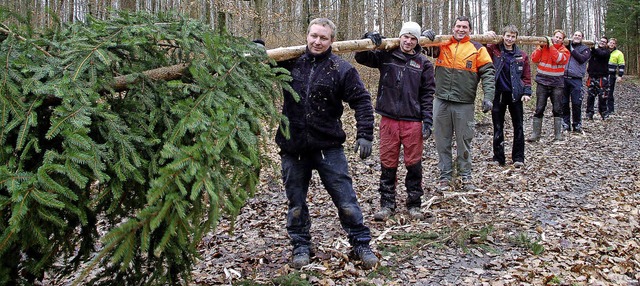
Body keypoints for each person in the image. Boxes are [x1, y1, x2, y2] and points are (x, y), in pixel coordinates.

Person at [275, 18, 378, 270]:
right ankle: (301, 245)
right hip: (293, 147)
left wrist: (365, 134)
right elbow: (259, 70)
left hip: (328, 147)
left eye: (323, 38)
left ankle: (361, 243)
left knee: (346, 201)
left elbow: (362, 101)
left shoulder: (341, 69)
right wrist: (258, 47)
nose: (317, 41)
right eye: (314, 36)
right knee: (296, 203)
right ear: (307, 35)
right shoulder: (289, 64)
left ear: (332, 40)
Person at [355, 22, 436, 221]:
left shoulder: (423, 63)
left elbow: (427, 94)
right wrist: (369, 38)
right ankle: (387, 204)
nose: (408, 41)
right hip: (389, 119)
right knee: (387, 162)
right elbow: (361, 57)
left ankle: (414, 204)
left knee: (413, 164)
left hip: (413, 122)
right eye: (405, 37)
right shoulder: (387, 55)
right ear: (400, 37)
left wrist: (427, 119)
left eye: (413, 38)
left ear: (417, 41)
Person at [424, 16, 495, 191]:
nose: (461, 29)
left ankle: (465, 176)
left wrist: (488, 97)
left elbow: (488, 73)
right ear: (453, 28)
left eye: (464, 27)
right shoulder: (443, 44)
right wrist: (427, 36)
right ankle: (445, 177)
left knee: (464, 141)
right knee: (442, 141)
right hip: (441, 101)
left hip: (464, 103)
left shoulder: (477, 49)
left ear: (469, 30)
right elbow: (424, 48)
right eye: (458, 26)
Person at [484, 25, 532, 168]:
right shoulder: (495, 50)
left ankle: (518, 157)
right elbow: (481, 48)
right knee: (498, 126)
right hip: (498, 94)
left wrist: (527, 92)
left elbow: (526, 76)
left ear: (516, 38)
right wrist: (486, 36)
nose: (509, 39)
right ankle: (498, 158)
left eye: (513, 37)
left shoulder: (522, 55)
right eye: (507, 36)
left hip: (515, 95)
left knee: (518, 126)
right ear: (503, 36)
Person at [528, 29, 570, 142]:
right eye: (556, 36)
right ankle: (535, 134)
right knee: (539, 108)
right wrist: (540, 47)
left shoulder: (564, 51)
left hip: (557, 84)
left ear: (563, 40)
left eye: (560, 38)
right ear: (553, 36)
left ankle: (558, 135)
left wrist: (551, 46)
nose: (557, 39)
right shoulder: (544, 47)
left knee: (557, 109)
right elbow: (534, 59)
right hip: (542, 82)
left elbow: (558, 59)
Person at [561, 31, 591, 133]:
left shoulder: (585, 49)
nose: (577, 37)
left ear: (582, 38)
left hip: (576, 79)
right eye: (575, 35)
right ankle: (565, 124)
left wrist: (571, 49)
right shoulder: (565, 46)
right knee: (564, 103)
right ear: (572, 36)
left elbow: (582, 59)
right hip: (563, 78)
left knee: (576, 103)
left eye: (579, 35)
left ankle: (577, 125)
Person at [585, 37, 612, 120]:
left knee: (603, 96)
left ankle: (604, 113)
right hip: (592, 76)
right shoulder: (593, 51)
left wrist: (592, 47)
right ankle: (589, 113)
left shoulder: (607, 52)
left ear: (606, 44)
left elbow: (600, 54)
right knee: (590, 96)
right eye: (601, 41)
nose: (602, 43)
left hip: (602, 78)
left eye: (604, 42)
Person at [607, 38, 625, 116]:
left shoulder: (619, 53)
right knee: (601, 92)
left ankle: (610, 109)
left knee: (610, 92)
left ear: (615, 45)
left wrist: (620, 76)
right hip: (602, 74)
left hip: (611, 75)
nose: (611, 44)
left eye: (613, 43)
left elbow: (621, 65)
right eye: (610, 43)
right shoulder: (604, 51)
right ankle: (603, 108)